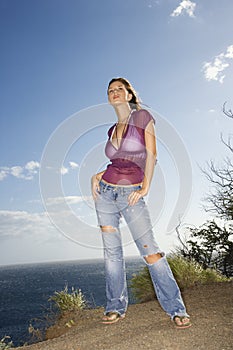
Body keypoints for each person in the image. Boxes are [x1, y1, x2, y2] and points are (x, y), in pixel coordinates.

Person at [91, 77, 191, 329]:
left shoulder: (142, 117)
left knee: (151, 252)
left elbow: (151, 153)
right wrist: (98, 174)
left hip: (132, 192)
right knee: (112, 254)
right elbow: (118, 161)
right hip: (105, 194)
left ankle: (176, 308)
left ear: (129, 94)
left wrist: (145, 186)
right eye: (110, 90)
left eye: (119, 89)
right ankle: (115, 306)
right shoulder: (112, 129)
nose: (114, 93)